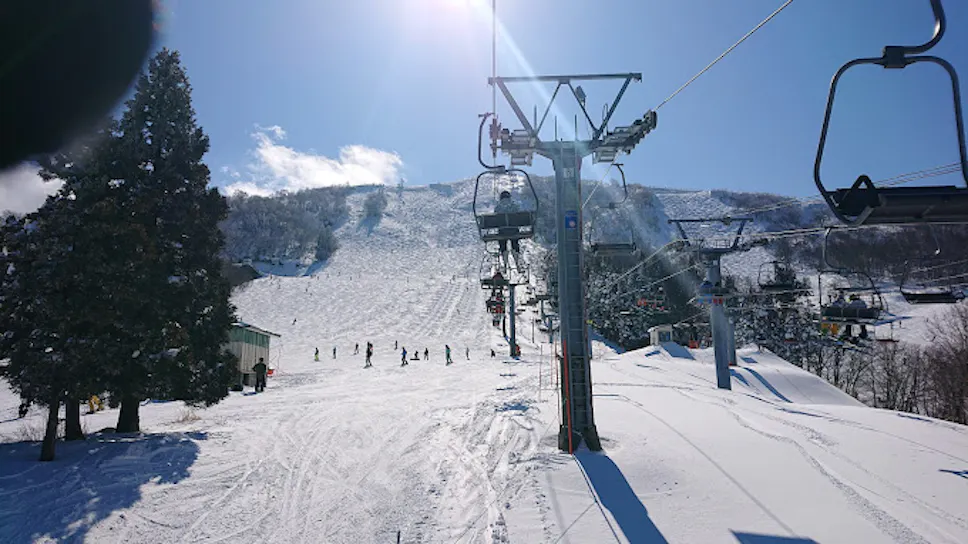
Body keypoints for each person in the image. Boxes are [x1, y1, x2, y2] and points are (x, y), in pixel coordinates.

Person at [494, 191, 524, 271]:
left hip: (502, 231)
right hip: (514, 230)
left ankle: (504, 261)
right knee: (515, 241)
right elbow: (519, 214)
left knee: (502, 242)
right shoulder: (514, 205)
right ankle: (516, 259)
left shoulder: (498, 207)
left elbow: (496, 216)